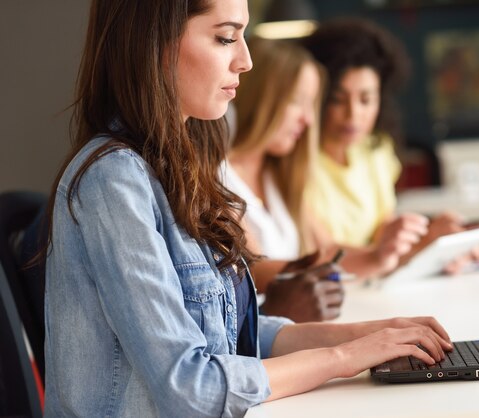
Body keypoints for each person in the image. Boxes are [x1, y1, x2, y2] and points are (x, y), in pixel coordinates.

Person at [41, 1, 452, 417]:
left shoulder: (181, 165)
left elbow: (236, 332)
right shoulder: (114, 180)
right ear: (154, 44)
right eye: (225, 38)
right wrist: (344, 358)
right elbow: (190, 387)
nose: (246, 60)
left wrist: (367, 335)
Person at [223, 36, 428, 321]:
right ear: (261, 100)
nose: (308, 120)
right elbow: (253, 270)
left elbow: (326, 250)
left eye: (312, 105)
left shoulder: (278, 173)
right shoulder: (217, 177)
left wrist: (378, 256)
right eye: (298, 103)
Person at [301, 18, 478, 273]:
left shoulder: (376, 150)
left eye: (366, 99)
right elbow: (321, 252)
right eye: (338, 100)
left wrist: (429, 235)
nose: (352, 115)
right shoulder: (297, 161)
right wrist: (421, 245)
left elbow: (381, 233)